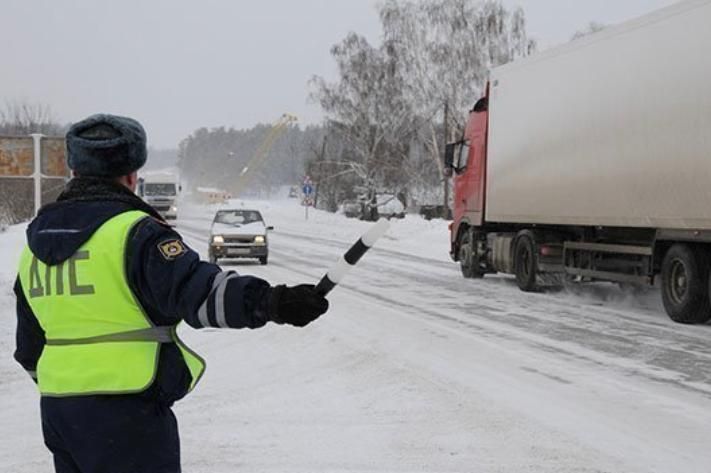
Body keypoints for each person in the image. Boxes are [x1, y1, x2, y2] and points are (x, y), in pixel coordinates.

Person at [13, 114, 330, 473]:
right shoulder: (136, 234)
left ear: (74, 172)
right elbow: (200, 294)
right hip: (128, 410)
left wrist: (66, 386)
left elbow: (28, 347)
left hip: (60, 413)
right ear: (131, 176)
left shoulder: (33, 248)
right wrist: (274, 302)